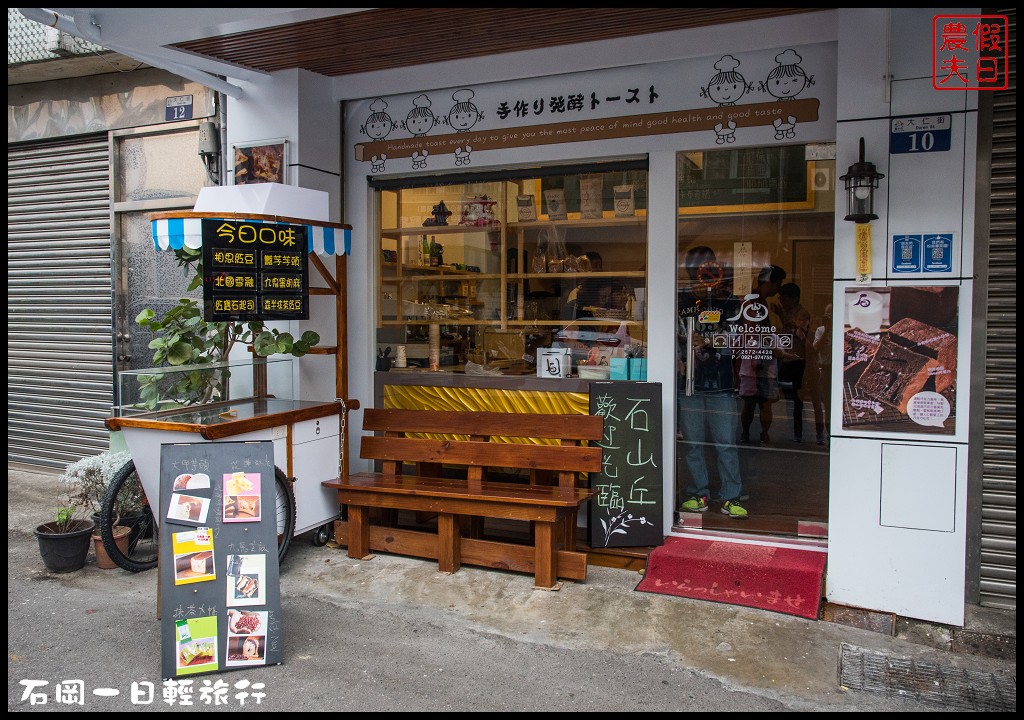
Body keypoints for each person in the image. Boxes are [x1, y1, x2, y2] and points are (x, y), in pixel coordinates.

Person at [677, 245, 748, 519]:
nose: (700, 271)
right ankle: (699, 494)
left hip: (722, 383)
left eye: (706, 265)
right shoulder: (682, 301)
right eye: (695, 267)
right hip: (689, 384)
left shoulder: (729, 303)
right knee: (693, 444)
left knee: (726, 444)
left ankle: (731, 497)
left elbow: (738, 340)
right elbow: (673, 336)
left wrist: (707, 340)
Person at [738, 264, 786, 445]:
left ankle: (747, 433)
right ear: (770, 282)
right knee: (762, 401)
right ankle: (761, 434)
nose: (778, 288)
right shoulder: (756, 302)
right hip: (757, 358)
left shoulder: (758, 301)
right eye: (778, 283)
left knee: (752, 400)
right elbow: (756, 332)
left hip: (755, 357)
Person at [777, 282, 812, 442]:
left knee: (797, 397)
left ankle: (798, 430)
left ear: (794, 298)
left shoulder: (802, 314)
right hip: (785, 358)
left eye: (784, 298)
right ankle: (793, 427)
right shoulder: (785, 312)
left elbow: (798, 334)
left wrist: (782, 317)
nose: (781, 301)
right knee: (788, 397)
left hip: (798, 361)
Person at [811, 304, 833, 445]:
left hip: (840, 372)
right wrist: (827, 330)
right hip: (825, 369)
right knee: (828, 405)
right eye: (827, 314)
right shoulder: (820, 330)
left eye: (831, 314)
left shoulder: (842, 330)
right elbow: (815, 349)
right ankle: (828, 433)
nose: (829, 316)